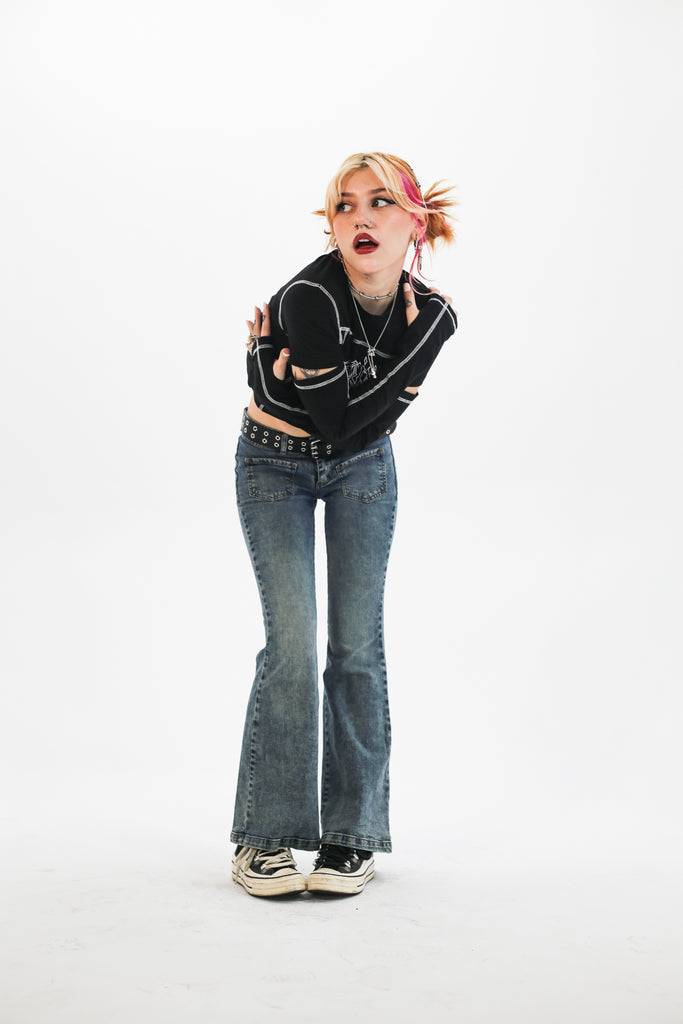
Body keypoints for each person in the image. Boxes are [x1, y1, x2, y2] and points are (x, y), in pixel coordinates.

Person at [231, 152, 457, 897]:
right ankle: (263, 839)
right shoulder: (309, 297)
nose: (361, 218)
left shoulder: (431, 310)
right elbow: (335, 423)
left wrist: (285, 377)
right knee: (292, 646)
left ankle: (350, 839)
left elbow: (354, 429)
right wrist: (409, 368)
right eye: (345, 205)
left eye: (380, 202)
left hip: (363, 472)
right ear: (330, 226)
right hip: (274, 466)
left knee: (357, 648)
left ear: (414, 221)